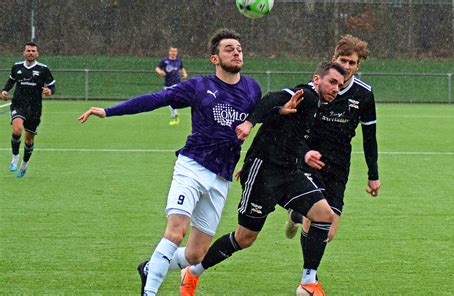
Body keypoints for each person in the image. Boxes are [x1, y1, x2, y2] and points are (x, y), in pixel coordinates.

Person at [78, 28, 261, 296]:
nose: (236, 52)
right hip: (192, 166)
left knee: (196, 254)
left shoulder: (252, 89)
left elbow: (265, 118)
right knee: (176, 232)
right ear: (214, 58)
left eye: (239, 48)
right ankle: (149, 292)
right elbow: (155, 99)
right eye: (229, 48)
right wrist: (108, 111)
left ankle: (149, 268)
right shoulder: (200, 86)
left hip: (221, 176)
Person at [179, 61, 347, 296]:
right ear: (316, 79)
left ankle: (308, 282)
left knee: (324, 215)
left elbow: (287, 133)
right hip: (264, 174)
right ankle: (193, 271)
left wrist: (305, 154)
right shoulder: (305, 94)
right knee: (244, 238)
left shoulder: (316, 105)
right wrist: (248, 123)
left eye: (340, 85)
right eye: (332, 82)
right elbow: (270, 98)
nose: (336, 88)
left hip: (289, 173)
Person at [283, 34, 382, 295]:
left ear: (359, 65)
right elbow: (290, 126)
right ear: (333, 59)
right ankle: (308, 280)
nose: (347, 66)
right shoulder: (313, 88)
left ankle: (296, 215)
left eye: (352, 62)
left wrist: (374, 175)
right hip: (308, 161)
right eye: (342, 60)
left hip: (339, 166)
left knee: (328, 232)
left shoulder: (364, 94)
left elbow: (369, 138)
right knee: (317, 216)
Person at [1, 41, 56, 178]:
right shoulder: (17, 67)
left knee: (29, 139)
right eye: (28, 51)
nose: (30, 53)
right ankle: (14, 157)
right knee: (17, 129)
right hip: (18, 104)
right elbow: (11, 81)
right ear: (24, 52)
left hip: (35, 107)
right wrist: (4, 91)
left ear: (37, 53)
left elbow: (52, 85)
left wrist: (49, 91)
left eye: (33, 51)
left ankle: (24, 165)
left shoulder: (43, 69)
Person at [155, 46, 188, 125]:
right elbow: (157, 68)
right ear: (169, 52)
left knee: (173, 100)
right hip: (168, 84)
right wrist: (160, 72)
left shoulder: (179, 61)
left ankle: (175, 114)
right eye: (172, 51)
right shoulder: (165, 61)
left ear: (177, 52)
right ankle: (175, 115)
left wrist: (184, 73)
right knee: (170, 101)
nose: (174, 53)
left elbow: (182, 68)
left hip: (177, 84)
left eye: (175, 51)